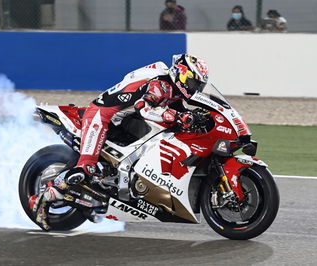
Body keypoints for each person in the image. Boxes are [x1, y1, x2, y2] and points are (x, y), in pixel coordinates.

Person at [31, 54, 209, 231]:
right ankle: (44, 196)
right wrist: (177, 116)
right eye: (194, 83)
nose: (195, 89)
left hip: (122, 122)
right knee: (86, 168)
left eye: (199, 86)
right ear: (182, 74)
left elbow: (178, 116)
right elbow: (145, 108)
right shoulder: (160, 83)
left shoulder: (174, 92)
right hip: (100, 117)